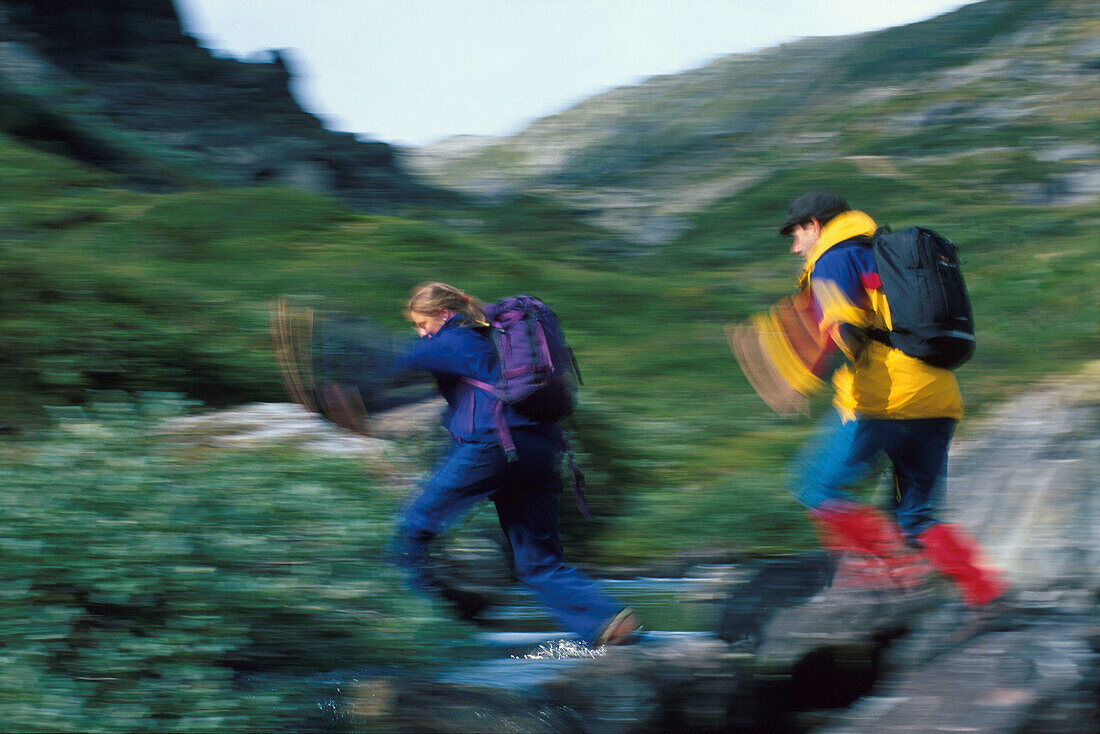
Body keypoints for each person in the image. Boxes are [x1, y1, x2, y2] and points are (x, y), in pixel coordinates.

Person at [770, 191, 1009, 611]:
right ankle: (987, 594)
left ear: (814, 225)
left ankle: (884, 577)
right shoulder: (886, 256)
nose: (795, 247)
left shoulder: (834, 258)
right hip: (938, 399)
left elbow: (842, 326)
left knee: (816, 488)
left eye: (796, 234)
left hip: (884, 402)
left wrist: (802, 379)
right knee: (917, 517)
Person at [387, 282, 639, 646]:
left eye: (422, 323)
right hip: (540, 449)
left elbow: (392, 361)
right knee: (537, 562)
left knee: (414, 524)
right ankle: (610, 622)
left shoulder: (453, 338)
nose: (421, 332)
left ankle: (413, 627)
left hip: (493, 447)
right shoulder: (495, 339)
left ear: (444, 314)